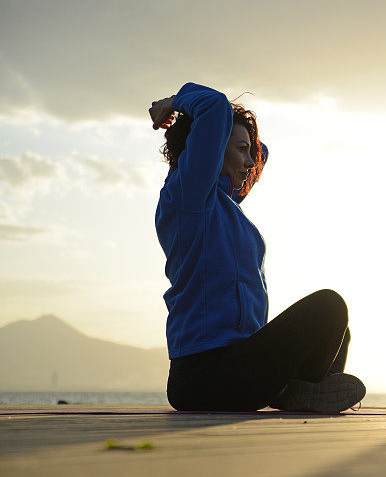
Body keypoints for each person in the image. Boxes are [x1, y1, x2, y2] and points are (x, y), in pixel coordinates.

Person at [151, 82, 365, 412]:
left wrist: (244, 140)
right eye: (239, 149)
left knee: (340, 331)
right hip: (204, 375)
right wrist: (174, 103)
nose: (250, 161)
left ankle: (296, 392)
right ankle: (297, 391)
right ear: (210, 146)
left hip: (241, 364)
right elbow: (215, 108)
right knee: (329, 307)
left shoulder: (224, 204)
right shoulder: (188, 198)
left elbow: (261, 154)